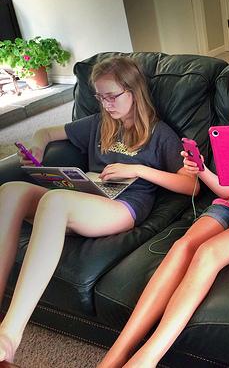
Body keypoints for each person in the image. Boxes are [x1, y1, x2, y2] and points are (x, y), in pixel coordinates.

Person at [97, 58, 229, 368]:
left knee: (208, 253)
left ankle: (148, 357)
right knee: (182, 246)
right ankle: (116, 354)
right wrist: (203, 171)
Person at [0, 56, 198, 363]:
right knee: (11, 191)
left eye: (112, 96)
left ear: (134, 91)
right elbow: (47, 132)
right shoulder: (99, 123)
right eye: (99, 97)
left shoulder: (160, 135)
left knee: (55, 201)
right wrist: (37, 147)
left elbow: (192, 185)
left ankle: (9, 337)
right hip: (84, 197)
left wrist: (139, 170)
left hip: (122, 207)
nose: (106, 104)